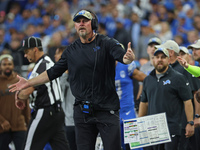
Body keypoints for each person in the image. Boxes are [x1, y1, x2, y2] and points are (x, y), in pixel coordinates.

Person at [9, 10, 135, 150]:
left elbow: (123, 57)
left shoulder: (107, 43)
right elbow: (52, 72)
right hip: (83, 112)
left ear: (93, 23)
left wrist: (127, 58)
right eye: (78, 21)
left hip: (107, 110)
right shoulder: (71, 50)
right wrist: (28, 83)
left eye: (85, 20)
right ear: (74, 26)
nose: (81, 23)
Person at [13, 36, 70, 150]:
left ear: (35, 49)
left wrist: (18, 95)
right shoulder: (46, 62)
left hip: (45, 112)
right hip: (57, 113)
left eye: (26, 51)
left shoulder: (42, 66)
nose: (25, 55)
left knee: (28, 148)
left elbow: (27, 92)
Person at [138, 47, 194, 150]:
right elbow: (144, 103)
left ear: (168, 59)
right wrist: (139, 124)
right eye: (157, 57)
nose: (159, 59)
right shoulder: (148, 79)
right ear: (153, 59)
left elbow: (187, 101)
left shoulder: (178, 78)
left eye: (163, 57)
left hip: (171, 128)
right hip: (152, 128)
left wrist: (190, 122)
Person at [0, 54, 30, 150]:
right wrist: (2, 121)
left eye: (9, 64)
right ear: (1, 66)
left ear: (13, 65)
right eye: (4, 64)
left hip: (19, 125)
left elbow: (26, 102)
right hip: (3, 126)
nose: (7, 66)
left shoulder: (19, 80)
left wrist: (28, 121)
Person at [115, 60, 146, 150]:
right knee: (116, 146)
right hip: (112, 114)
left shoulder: (125, 66)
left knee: (136, 145)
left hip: (128, 113)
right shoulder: (101, 68)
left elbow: (146, 79)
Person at [54, 46, 77, 150]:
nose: (55, 55)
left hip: (72, 119)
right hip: (63, 120)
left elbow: (60, 91)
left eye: (57, 53)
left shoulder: (73, 72)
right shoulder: (56, 73)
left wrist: (65, 74)